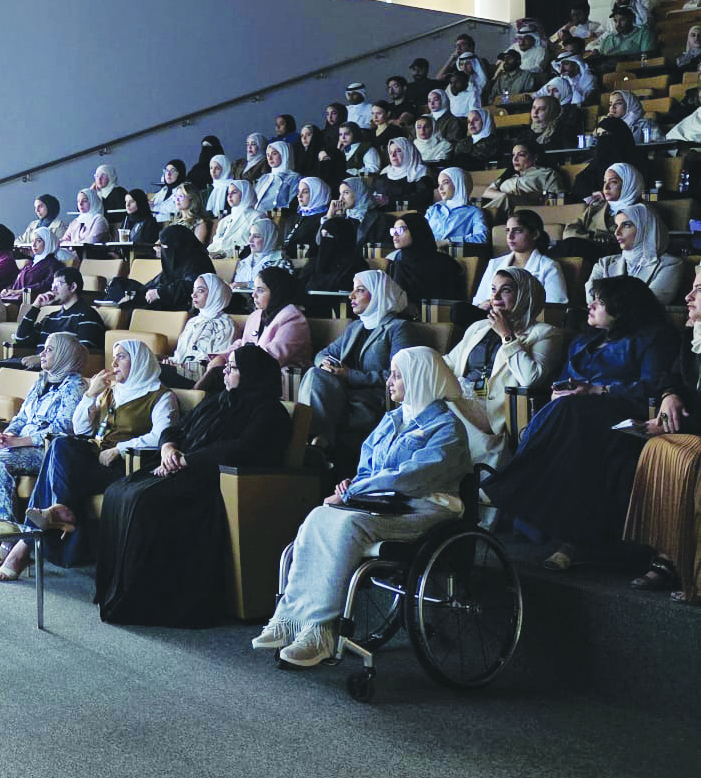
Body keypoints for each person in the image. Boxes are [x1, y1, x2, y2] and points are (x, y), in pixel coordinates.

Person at [252, 347, 473, 666]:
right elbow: (368, 465)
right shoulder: (393, 419)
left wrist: (354, 491)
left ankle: (320, 632)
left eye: (398, 376)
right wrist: (352, 486)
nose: (389, 382)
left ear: (420, 379)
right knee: (318, 515)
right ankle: (290, 619)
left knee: (347, 524)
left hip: (425, 511)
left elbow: (411, 477)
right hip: (381, 504)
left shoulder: (448, 428)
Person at [485, 276, 681, 570]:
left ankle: (516, 494)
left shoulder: (651, 337)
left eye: (600, 302)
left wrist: (597, 390)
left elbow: (652, 386)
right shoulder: (583, 341)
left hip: (619, 412)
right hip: (573, 414)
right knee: (564, 412)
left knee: (569, 415)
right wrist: (560, 390)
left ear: (622, 307)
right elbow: (564, 379)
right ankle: (559, 530)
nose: (590, 306)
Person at [98, 344, 293, 627]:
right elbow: (176, 428)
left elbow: (243, 449)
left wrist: (186, 460)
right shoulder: (217, 400)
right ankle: (116, 590)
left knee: (145, 502)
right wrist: (168, 448)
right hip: (179, 466)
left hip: (215, 480)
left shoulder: (270, 412)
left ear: (252, 374)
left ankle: (144, 599)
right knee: (118, 490)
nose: (224, 371)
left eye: (232, 367)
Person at [0, 340, 177, 573]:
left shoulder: (161, 396)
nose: (113, 363)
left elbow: (162, 435)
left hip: (124, 465)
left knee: (53, 469)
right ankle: (58, 510)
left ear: (139, 362)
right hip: (95, 455)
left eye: (121, 357)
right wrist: (90, 394)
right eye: (114, 357)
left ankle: (24, 547)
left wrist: (120, 448)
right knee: (60, 444)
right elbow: (80, 429)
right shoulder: (110, 391)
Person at [0, 332, 87, 575]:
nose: (42, 354)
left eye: (49, 350)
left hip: (46, 451)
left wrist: (18, 441)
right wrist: (7, 435)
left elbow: (63, 428)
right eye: (44, 349)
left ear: (64, 354)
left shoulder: (75, 387)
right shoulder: (41, 381)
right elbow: (21, 417)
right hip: (20, 443)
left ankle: (10, 539)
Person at [624, 272, 701, 602]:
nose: (688, 297)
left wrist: (679, 425)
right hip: (695, 431)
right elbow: (671, 376)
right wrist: (670, 395)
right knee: (657, 448)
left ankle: (693, 570)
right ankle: (668, 557)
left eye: (698, 290)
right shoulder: (692, 337)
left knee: (684, 457)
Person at [445, 268, 564, 472]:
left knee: (438, 406)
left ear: (524, 295)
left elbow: (531, 378)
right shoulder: (478, 327)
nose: (496, 296)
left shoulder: (545, 334)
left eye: (506, 290)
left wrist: (507, 335)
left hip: (494, 409)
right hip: (462, 395)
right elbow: (449, 362)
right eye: (493, 289)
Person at [300, 270, 413, 451]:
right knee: (315, 373)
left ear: (378, 294)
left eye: (360, 290)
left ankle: (315, 443)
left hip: (372, 396)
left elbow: (400, 375)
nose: (351, 296)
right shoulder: (356, 326)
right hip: (343, 391)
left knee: (318, 385)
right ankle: (318, 443)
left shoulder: (397, 328)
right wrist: (325, 364)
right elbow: (322, 354)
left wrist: (350, 375)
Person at [200, 268, 311, 394]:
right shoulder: (257, 315)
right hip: (252, 373)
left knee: (216, 376)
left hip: (276, 380)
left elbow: (271, 357)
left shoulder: (293, 318)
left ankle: (193, 400)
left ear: (277, 292)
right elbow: (243, 343)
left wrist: (233, 363)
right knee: (215, 372)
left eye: (260, 290)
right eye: (254, 289)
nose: (253, 295)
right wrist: (223, 357)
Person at [0, 267, 105, 370]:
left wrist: (42, 359)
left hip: (56, 369)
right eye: (52, 285)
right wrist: (35, 307)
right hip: (38, 364)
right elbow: (21, 338)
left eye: (58, 284)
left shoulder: (87, 315)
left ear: (72, 287)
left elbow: (82, 353)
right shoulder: (50, 317)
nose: (53, 289)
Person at [586, 204, 684, 305]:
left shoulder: (669, 264)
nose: (617, 232)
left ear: (645, 228)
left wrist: (605, 302)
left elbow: (650, 303)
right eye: (616, 226)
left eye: (626, 225)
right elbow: (591, 297)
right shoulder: (604, 263)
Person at [106, 224, 215, 310]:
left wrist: (159, 293)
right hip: (168, 299)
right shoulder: (178, 260)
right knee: (119, 285)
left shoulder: (199, 261)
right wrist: (138, 293)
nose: (164, 251)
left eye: (166, 247)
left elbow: (190, 286)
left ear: (178, 245)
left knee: (134, 307)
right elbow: (161, 280)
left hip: (182, 305)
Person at [473, 210, 568, 306]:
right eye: (507, 231)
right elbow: (478, 303)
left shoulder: (548, 267)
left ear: (535, 234)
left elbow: (555, 308)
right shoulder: (494, 264)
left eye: (517, 231)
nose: (510, 236)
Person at [159, 274, 236, 388]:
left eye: (200, 291)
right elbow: (180, 353)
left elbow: (215, 364)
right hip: (178, 368)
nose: (193, 295)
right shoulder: (193, 321)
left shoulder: (226, 325)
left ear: (215, 294)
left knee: (154, 370)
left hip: (200, 376)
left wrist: (179, 367)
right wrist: (171, 363)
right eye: (193, 290)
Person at [385, 213, 466, 305]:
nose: (395, 234)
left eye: (400, 230)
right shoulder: (396, 264)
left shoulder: (445, 264)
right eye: (393, 230)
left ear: (416, 230)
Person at [564, 118, 640, 205]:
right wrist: (592, 195)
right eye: (598, 135)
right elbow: (579, 187)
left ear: (619, 135)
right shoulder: (596, 165)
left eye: (605, 134)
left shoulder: (637, 163)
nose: (601, 139)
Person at [482, 142, 565, 216]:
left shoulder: (547, 173)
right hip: (505, 208)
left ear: (534, 157)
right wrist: (503, 195)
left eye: (521, 155)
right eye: (513, 155)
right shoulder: (509, 174)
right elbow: (487, 192)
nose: (515, 159)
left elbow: (557, 199)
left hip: (531, 210)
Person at [299, 209, 369, 296]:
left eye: (328, 234)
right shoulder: (314, 264)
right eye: (323, 235)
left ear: (342, 237)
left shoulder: (356, 265)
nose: (325, 240)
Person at [424, 167, 488, 250]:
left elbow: (482, 238)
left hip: (450, 254)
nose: (440, 189)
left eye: (445, 183)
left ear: (458, 183)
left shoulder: (474, 212)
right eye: (439, 184)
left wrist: (448, 241)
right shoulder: (433, 209)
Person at [324, 177, 389, 250]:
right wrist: (330, 215)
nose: (341, 198)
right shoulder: (342, 216)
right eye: (340, 194)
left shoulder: (377, 218)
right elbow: (320, 242)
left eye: (346, 193)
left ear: (358, 192)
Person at [1, 226, 59, 301]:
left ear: (48, 243)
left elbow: (46, 286)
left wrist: (21, 291)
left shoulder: (53, 265)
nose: (33, 245)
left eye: (38, 241)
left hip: (30, 301)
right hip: (16, 299)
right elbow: (18, 281)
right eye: (32, 241)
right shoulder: (33, 263)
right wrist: (7, 290)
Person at [232, 217, 294, 288]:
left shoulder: (280, 263)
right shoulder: (242, 264)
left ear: (269, 238)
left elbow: (281, 288)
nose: (250, 240)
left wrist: (247, 284)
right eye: (250, 235)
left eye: (256, 236)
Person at [209, 180, 264, 258]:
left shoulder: (257, 216)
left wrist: (223, 254)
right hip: (217, 259)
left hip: (241, 259)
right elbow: (215, 244)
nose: (229, 196)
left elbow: (254, 245)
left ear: (245, 193)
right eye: (228, 193)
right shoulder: (224, 221)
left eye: (234, 192)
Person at [377, 138, 435, 212]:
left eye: (398, 151)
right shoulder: (385, 173)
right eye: (390, 152)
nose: (393, 155)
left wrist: (391, 200)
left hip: (413, 215)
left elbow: (423, 198)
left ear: (408, 152)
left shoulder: (420, 172)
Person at [280, 177, 330, 256]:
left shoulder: (323, 219)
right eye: (298, 192)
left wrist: (288, 253)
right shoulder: (298, 215)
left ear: (317, 193)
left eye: (305, 192)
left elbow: (315, 248)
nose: (299, 196)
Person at [253, 141, 301, 211]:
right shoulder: (264, 178)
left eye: (274, 154)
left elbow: (290, 205)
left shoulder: (294, 178)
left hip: (278, 216)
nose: (270, 158)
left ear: (283, 154)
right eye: (268, 155)